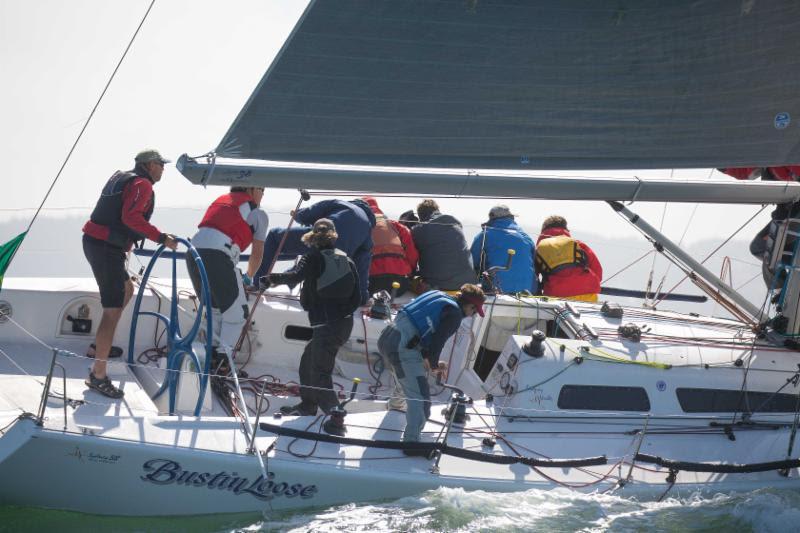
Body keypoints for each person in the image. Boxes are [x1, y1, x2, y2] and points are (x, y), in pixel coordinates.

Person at [81, 149, 177, 398]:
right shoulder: (142, 184)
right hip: (104, 248)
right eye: (160, 165)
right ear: (149, 165)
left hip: (98, 243)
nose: (163, 169)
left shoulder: (122, 177)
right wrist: (161, 238)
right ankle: (98, 375)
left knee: (127, 290)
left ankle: (98, 347)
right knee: (112, 310)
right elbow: (131, 217)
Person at [264, 219, 361, 422]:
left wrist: (271, 279)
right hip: (343, 324)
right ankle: (308, 406)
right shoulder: (347, 259)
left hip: (325, 326)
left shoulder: (312, 258)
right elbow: (358, 297)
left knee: (319, 372)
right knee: (308, 362)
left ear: (313, 238)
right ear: (333, 236)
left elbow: (294, 277)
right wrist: (340, 314)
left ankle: (335, 415)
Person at [377, 284, 485, 449]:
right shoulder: (455, 314)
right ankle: (411, 444)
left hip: (386, 338)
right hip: (401, 347)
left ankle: (394, 408)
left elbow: (423, 336)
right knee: (421, 401)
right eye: (475, 311)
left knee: (405, 377)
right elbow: (435, 346)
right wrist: (435, 366)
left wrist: (432, 362)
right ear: (469, 306)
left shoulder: (437, 294)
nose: (473, 315)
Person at [186, 186, 268, 362]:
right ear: (252, 189)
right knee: (238, 314)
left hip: (193, 253)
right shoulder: (258, 214)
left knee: (215, 310)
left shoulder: (222, 201)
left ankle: (208, 358)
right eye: (262, 189)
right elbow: (257, 253)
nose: (263, 193)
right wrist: (248, 276)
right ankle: (223, 364)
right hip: (217, 257)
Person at [256, 199, 375, 304]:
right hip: (337, 260)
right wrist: (363, 298)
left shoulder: (341, 204)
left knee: (274, 236)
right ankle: (288, 283)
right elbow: (362, 265)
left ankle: (257, 284)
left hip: (318, 239)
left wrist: (296, 214)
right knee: (311, 262)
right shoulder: (368, 229)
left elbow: (307, 214)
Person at [411, 199, 476, 291]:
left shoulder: (419, 230)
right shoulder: (455, 225)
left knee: (410, 283)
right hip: (467, 285)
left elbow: (410, 256)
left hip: (439, 286)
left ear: (421, 215)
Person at [470, 205, 537, 294]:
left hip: (495, 293)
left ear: (491, 219)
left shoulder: (484, 236)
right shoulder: (526, 237)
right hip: (527, 293)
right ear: (511, 218)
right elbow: (534, 265)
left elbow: (471, 263)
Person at [536, 216, 602, 302]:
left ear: (543, 231)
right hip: (587, 293)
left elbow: (533, 277)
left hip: (556, 296)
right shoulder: (577, 244)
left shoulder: (540, 249)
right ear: (566, 229)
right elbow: (598, 272)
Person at [362, 196, 419, 297]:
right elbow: (412, 254)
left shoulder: (361, 227)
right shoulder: (396, 226)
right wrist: (412, 272)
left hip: (371, 284)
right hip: (400, 284)